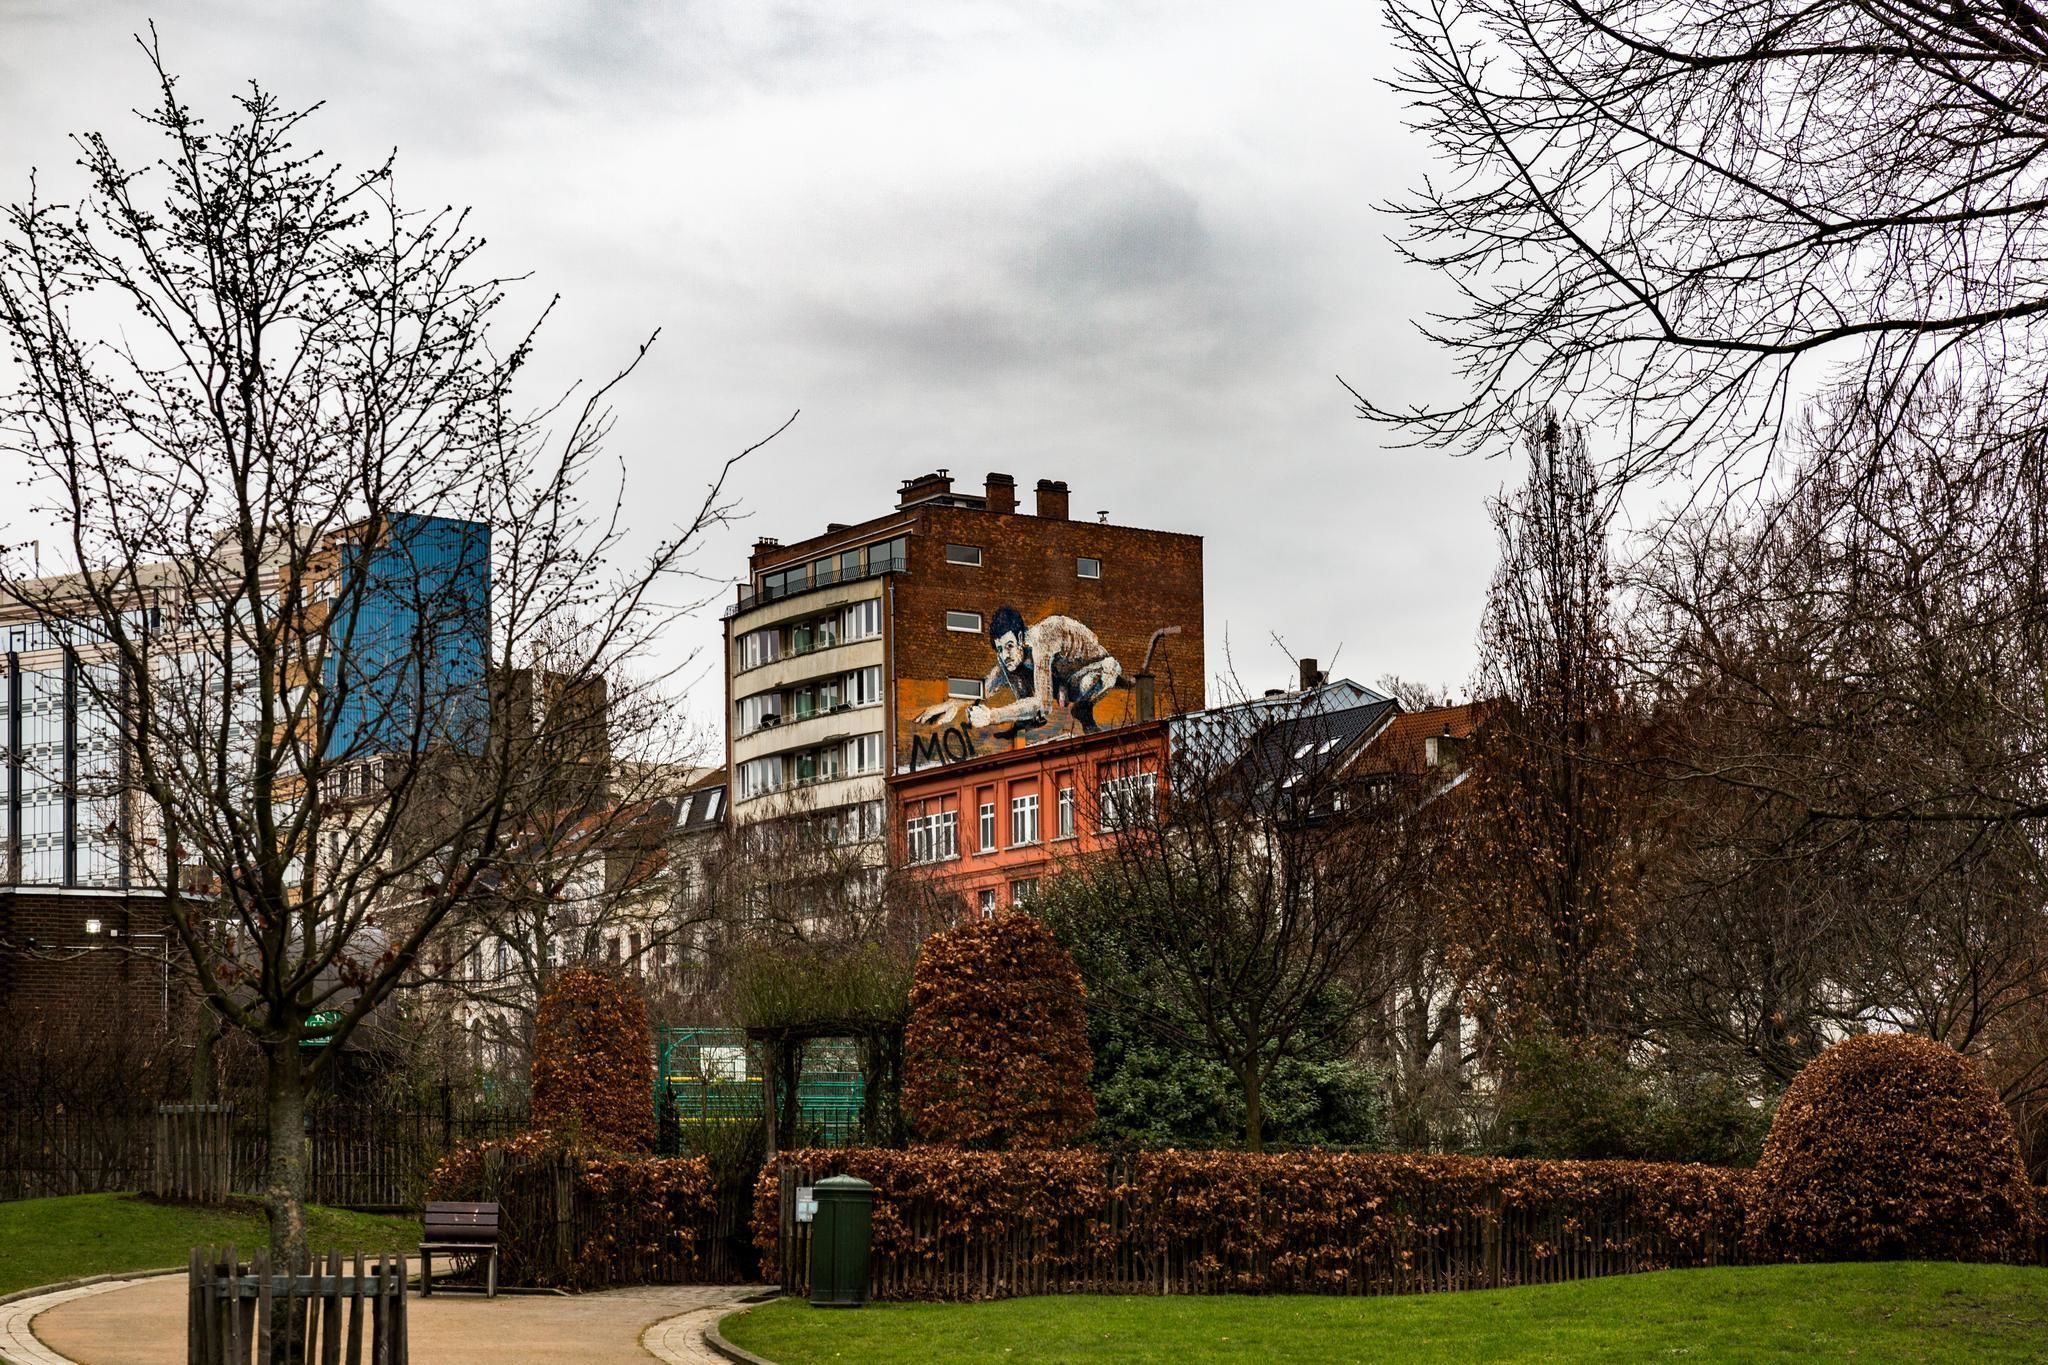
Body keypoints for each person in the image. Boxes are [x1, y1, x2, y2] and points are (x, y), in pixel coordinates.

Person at [916, 606, 1123, 733]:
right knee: (1015, 678)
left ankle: (1083, 709)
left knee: (1111, 668)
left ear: (1021, 639)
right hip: (1062, 680)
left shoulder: (1042, 640)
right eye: (999, 649)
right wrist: (953, 704)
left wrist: (992, 716)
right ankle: (1042, 714)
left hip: (1089, 671)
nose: (1005, 655)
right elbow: (985, 687)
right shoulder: (1009, 656)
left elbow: (1043, 704)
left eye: (1008, 646)